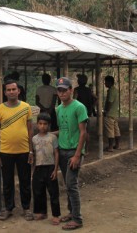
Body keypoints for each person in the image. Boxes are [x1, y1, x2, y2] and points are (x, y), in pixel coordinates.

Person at [0, 79, 34, 221]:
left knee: (25, 181)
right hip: (5, 152)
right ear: (5, 92)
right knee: (8, 182)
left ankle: (26, 208)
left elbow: (30, 129)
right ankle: (8, 208)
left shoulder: (26, 107)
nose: (11, 92)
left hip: (23, 151)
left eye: (13, 89)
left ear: (19, 91)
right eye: (8, 90)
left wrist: (31, 151)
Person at [54, 76, 87, 230]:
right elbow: (62, 130)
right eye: (59, 90)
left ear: (71, 90)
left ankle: (77, 219)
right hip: (62, 149)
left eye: (65, 90)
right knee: (67, 183)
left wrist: (77, 155)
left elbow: (83, 133)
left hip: (74, 151)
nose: (62, 93)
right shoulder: (58, 109)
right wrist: (45, 134)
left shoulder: (79, 107)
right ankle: (71, 212)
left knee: (71, 184)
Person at [31, 112, 61, 225]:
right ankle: (41, 212)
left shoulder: (52, 137)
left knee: (53, 192)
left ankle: (56, 214)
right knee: (38, 191)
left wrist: (55, 169)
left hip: (50, 167)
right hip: (38, 167)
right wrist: (32, 171)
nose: (42, 126)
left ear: (49, 125)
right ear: (37, 124)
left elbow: (56, 153)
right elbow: (33, 155)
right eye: (40, 123)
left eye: (45, 124)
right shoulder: (34, 139)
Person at [73, 74, 96, 155]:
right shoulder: (89, 90)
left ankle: (78, 148)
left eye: (78, 79)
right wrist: (92, 107)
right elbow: (95, 98)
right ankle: (86, 149)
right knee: (86, 131)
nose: (77, 81)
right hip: (87, 112)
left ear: (80, 81)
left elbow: (74, 100)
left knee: (78, 131)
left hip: (78, 113)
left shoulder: (76, 90)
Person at [104, 75, 121, 152]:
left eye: (106, 82)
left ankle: (110, 147)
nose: (105, 83)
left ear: (109, 82)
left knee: (110, 131)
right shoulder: (115, 90)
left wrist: (106, 111)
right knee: (116, 130)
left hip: (110, 114)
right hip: (115, 113)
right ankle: (117, 145)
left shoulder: (111, 91)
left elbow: (110, 102)